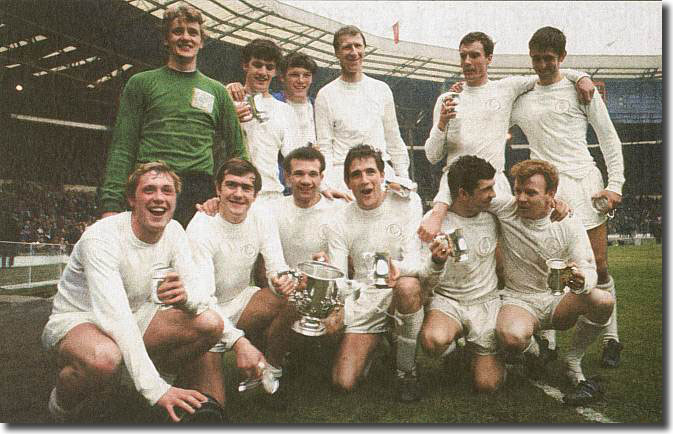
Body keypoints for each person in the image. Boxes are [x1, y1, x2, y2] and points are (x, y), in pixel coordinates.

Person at [41, 162, 260, 423]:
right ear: (132, 199)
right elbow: (115, 316)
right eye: (149, 190)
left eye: (167, 191)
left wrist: (236, 339)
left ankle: (148, 384)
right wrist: (155, 390)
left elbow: (200, 296)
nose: (159, 198)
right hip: (81, 319)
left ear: (176, 199)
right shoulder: (100, 238)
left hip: (137, 315)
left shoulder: (175, 231)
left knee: (209, 323)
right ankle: (61, 407)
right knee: (104, 359)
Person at [510, 26, 625, 369]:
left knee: (598, 266)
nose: (542, 65)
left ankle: (611, 338)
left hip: (584, 187)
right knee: (550, 266)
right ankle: (547, 341)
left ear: (561, 57)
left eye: (549, 58)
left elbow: (608, 138)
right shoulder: (522, 98)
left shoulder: (582, 92)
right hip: (545, 191)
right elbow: (489, 99)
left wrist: (615, 184)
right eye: (536, 59)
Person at [417, 31, 594, 242]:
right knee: (455, 255)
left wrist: (581, 76)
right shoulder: (448, 99)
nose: (467, 62)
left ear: (489, 58)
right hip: (457, 190)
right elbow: (432, 156)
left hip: (495, 187)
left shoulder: (505, 88)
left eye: (474, 55)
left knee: (511, 254)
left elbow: (545, 72)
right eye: (463, 56)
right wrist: (442, 124)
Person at [99, 4, 247, 228]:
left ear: (201, 41)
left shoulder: (217, 91)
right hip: (151, 182)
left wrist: (225, 196)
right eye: (178, 31)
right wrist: (111, 204)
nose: (186, 37)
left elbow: (238, 152)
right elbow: (123, 146)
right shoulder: (141, 83)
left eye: (193, 32)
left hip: (198, 191)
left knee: (192, 261)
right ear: (166, 39)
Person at [489, 160, 615, 405]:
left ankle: (572, 361)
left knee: (603, 300)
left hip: (558, 301)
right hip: (519, 300)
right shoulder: (507, 208)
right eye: (518, 191)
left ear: (551, 195)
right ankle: (536, 354)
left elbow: (589, 268)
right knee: (511, 336)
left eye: (531, 192)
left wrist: (581, 281)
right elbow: (472, 199)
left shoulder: (568, 221)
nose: (521, 198)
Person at [186, 158, 297, 407]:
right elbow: (202, 300)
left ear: (255, 194)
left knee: (290, 296)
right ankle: (182, 371)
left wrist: (280, 280)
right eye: (231, 186)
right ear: (218, 189)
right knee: (215, 409)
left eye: (246, 188)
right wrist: (238, 341)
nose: (238, 194)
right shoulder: (201, 226)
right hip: (203, 318)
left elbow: (276, 264)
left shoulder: (262, 216)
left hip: (240, 302)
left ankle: (271, 370)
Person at [324, 145, 424, 402]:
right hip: (365, 299)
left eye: (371, 171)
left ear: (382, 175)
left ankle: (406, 371)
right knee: (342, 382)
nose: (365, 180)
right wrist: (339, 307)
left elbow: (418, 260)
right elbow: (338, 276)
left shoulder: (407, 203)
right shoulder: (339, 220)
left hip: (401, 288)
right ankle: (380, 342)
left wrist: (398, 271)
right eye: (356, 174)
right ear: (347, 182)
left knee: (408, 287)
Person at [419, 155, 504, 393]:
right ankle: (455, 355)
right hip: (449, 302)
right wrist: (436, 261)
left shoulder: (494, 216)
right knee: (432, 340)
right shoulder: (433, 223)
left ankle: (490, 353)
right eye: (486, 189)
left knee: (487, 385)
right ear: (463, 193)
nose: (493, 194)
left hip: (486, 302)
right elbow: (424, 278)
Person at [315, 26, 412, 194]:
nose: (354, 52)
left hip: (380, 176)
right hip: (343, 180)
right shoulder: (325, 94)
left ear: (364, 49)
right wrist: (327, 185)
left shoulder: (382, 89)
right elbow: (325, 147)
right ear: (337, 53)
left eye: (358, 46)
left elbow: (394, 138)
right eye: (347, 47)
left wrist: (403, 177)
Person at [228, 39, 301, 207]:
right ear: (245, 65)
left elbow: (294, 159)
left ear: (275, 72)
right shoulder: (227, 100)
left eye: (269, 67)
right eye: (257, 65)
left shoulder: (285, 111)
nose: (263, 72)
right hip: (234, 193)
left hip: (271, 196)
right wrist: (230, 117)